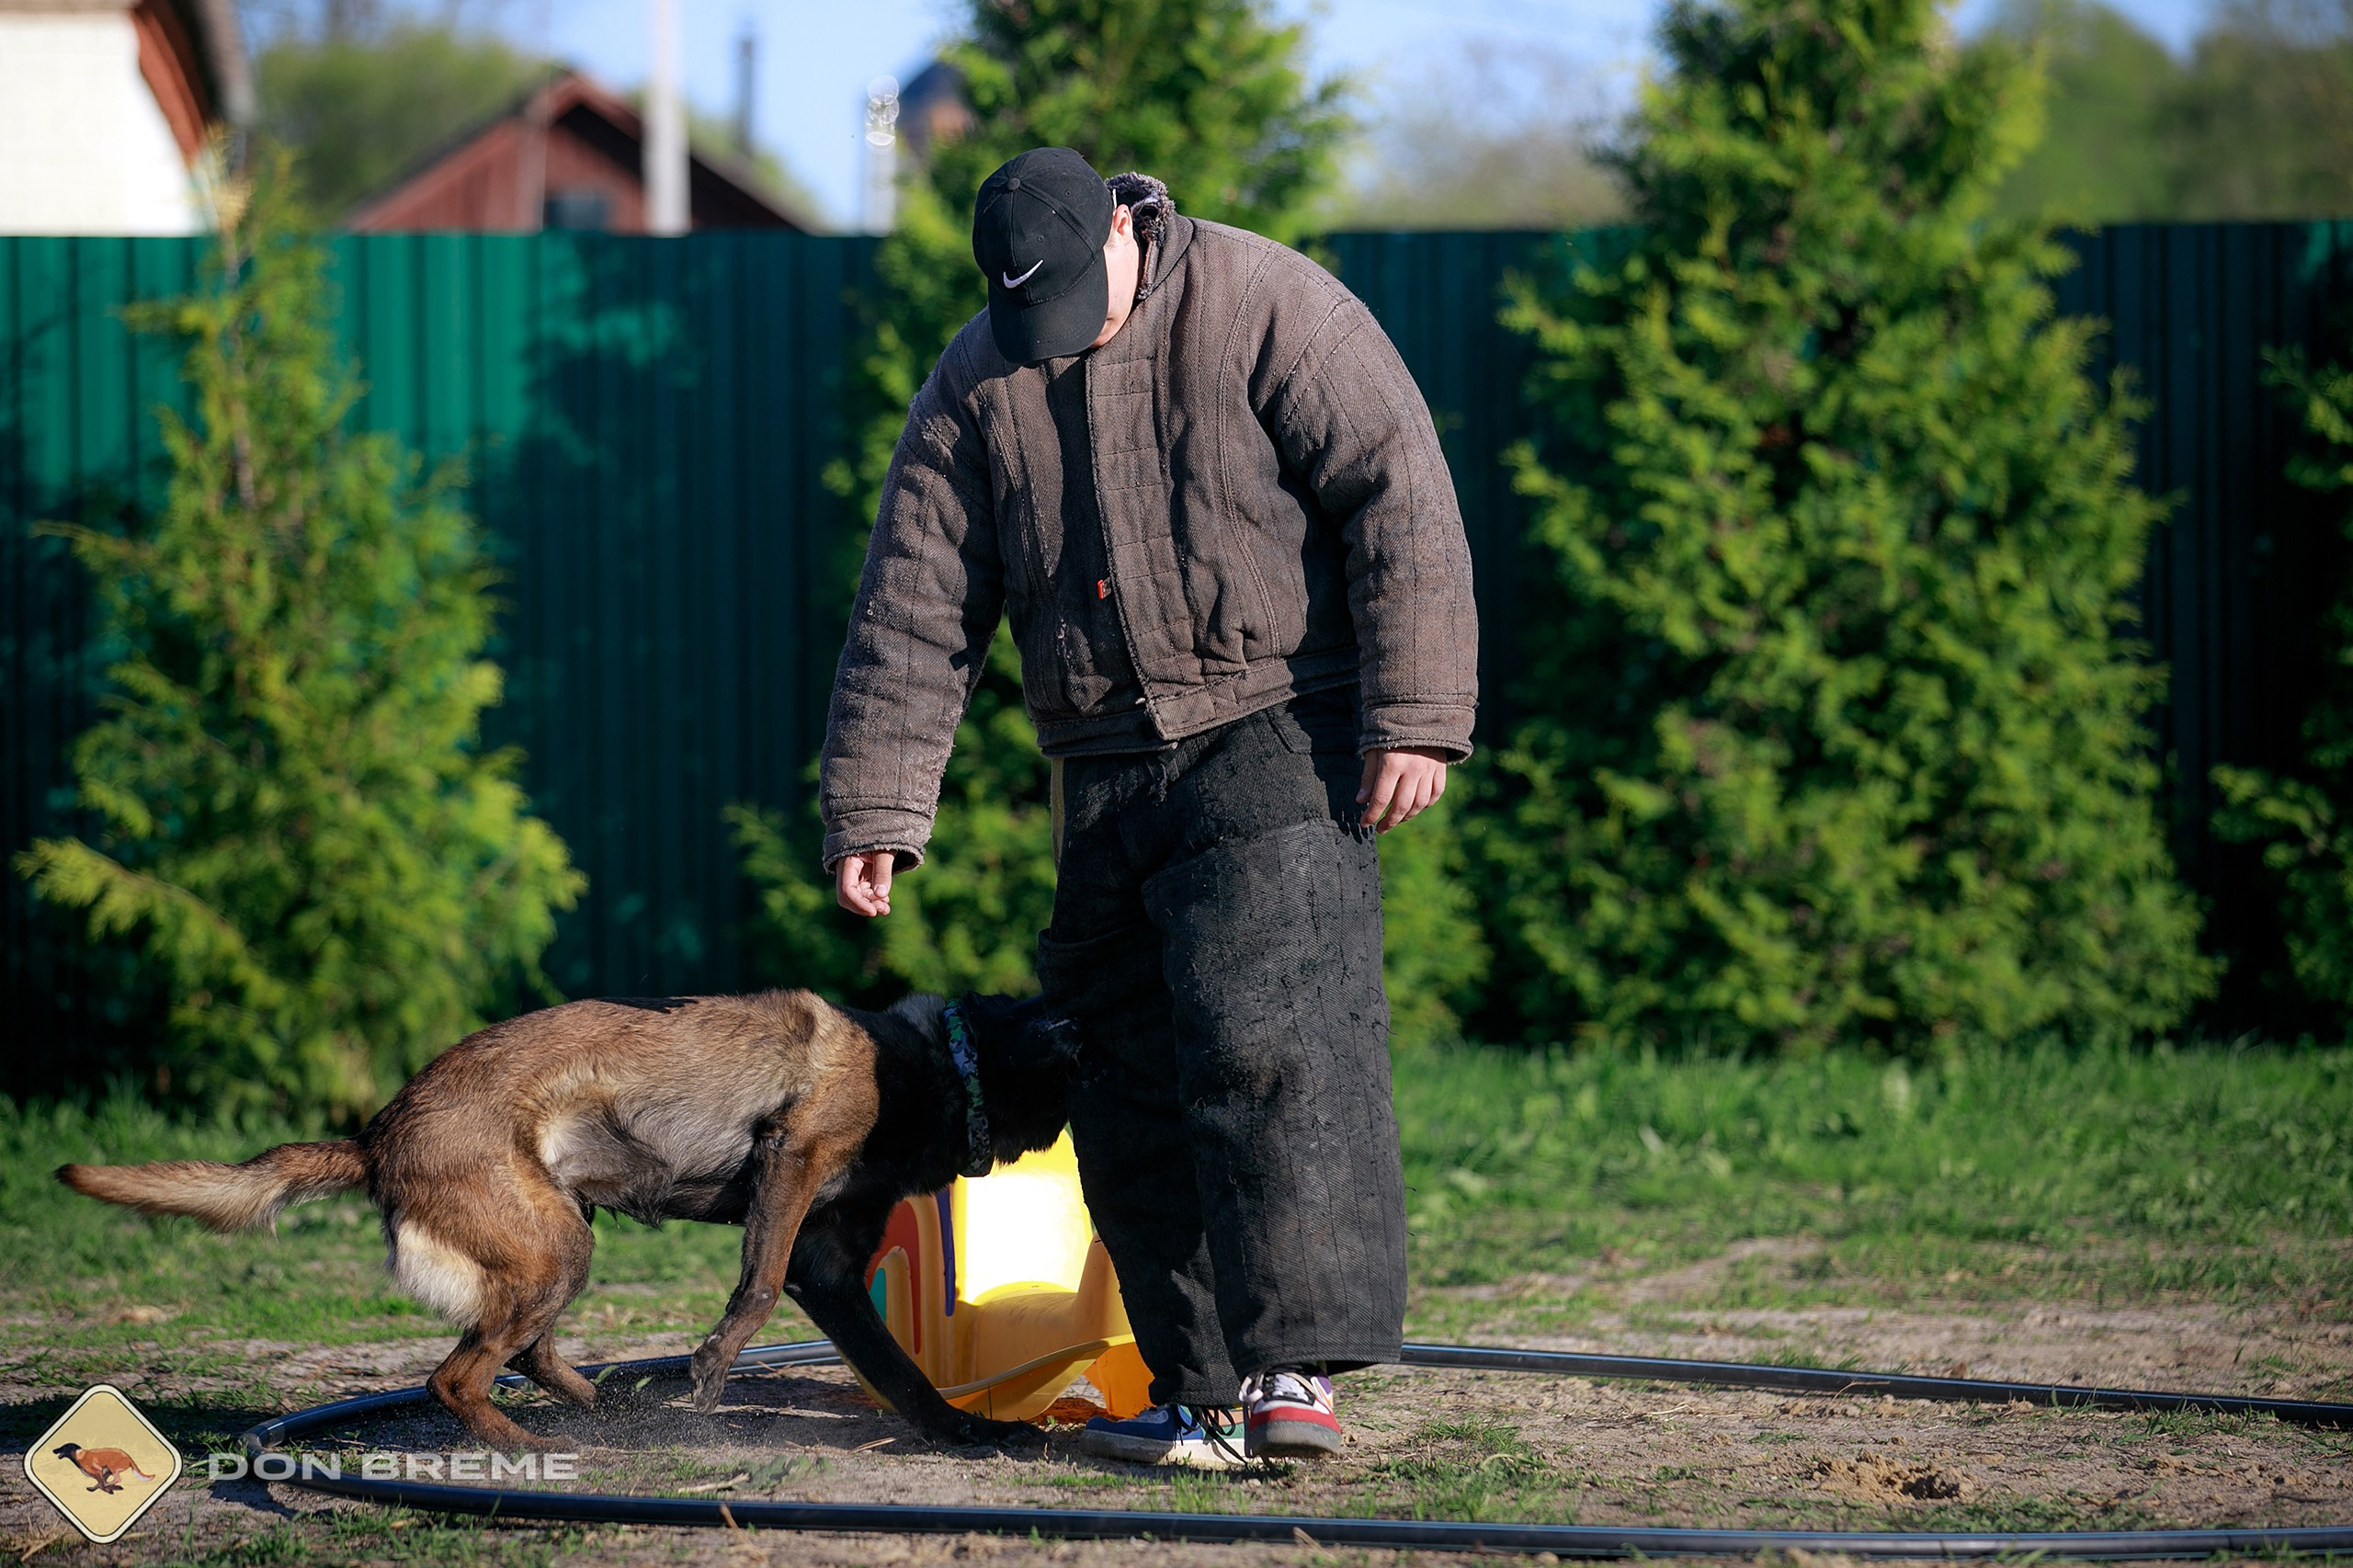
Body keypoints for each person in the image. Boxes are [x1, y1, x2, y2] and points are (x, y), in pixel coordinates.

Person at [818, 146, 1477, 1466]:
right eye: (1030, 322)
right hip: (1105, 762)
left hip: (1279, 722)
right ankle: (1196, 1389)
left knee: (1273, 1042)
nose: (1055, 341)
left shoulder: (1268, 303)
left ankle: (1295, 1368)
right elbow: (917, 603)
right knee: (1118, 1075)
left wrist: (1417, 717)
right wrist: (879, 803)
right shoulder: (974, 379)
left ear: (1125, 225)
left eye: (1074, 304)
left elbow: (1397, 491)